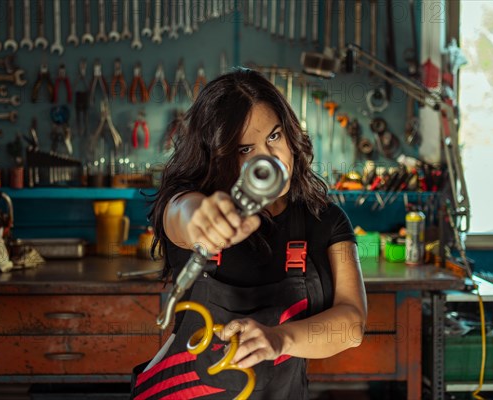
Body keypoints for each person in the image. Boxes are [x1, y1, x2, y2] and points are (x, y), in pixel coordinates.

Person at [131, 68, 367, 399]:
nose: (268, 160)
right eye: (244, 149)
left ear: (290, 133)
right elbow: (182, 215)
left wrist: (280, 339)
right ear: (217, 156)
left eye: (273, 137)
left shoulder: (326, 220)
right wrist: (201, 218)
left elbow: (352, 324)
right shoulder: (186, 203)